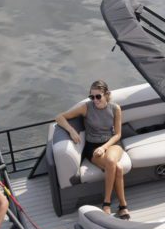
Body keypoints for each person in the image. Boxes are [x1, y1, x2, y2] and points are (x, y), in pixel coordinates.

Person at [53, 80, 130, 219]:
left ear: (106, 95)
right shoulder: (86, 107)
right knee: (117, 167)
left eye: (98, 96)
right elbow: (59, 117)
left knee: (111, 160)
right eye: (92, 97)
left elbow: (118, 134)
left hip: (112, 144)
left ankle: (106, 203)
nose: (95, 100)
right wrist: (71, 130)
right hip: (92, 146)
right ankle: (122, 206)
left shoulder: (115, 108)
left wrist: (104, 147)